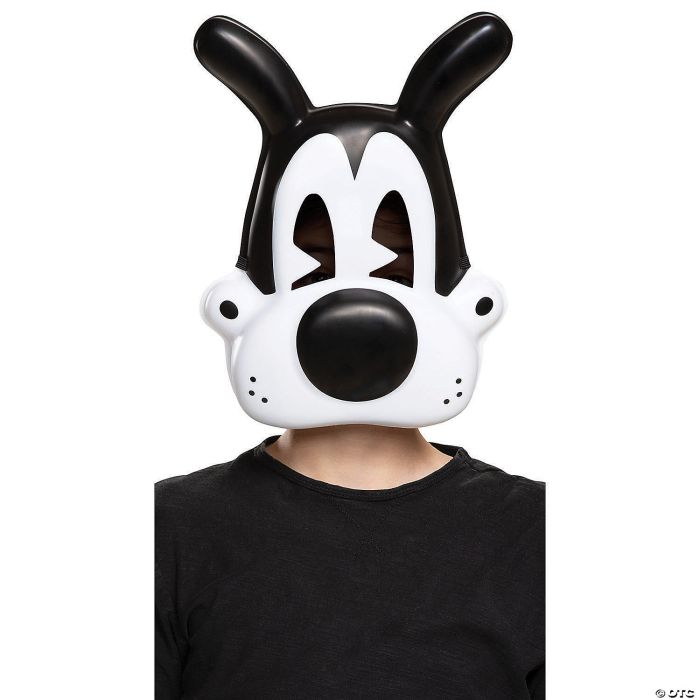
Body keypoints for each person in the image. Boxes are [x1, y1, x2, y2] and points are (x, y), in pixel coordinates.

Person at [156, 13, 544, 699]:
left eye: (394, 269)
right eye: (313, 265)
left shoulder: (539, 533)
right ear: (241, 298)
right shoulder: (169, 530)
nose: (356, 310)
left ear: (467, 297)